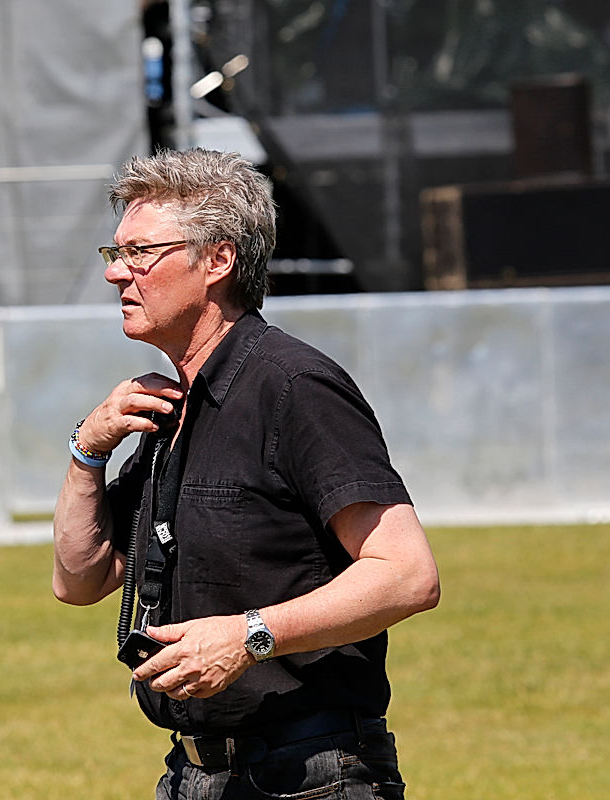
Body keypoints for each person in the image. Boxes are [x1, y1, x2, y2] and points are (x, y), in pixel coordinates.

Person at [52, 148, 440, 800]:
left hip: (311, 776)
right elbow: (79, 580)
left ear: (218, 260)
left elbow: (407, 574)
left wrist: (248, 636)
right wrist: (87, 451)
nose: (116, 273)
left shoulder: (294, 386)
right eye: (114, 253)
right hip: (193, 775)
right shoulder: (168, 406)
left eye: (140, 252)